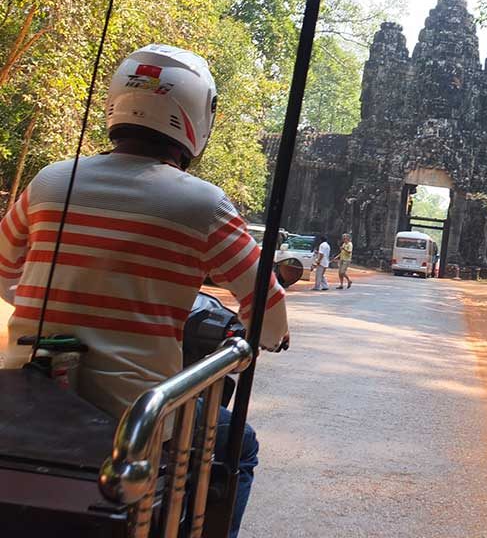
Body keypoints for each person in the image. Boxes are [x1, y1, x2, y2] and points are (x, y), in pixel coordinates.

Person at [0, 44, 289, 538]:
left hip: (25, 397)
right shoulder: (203, 204)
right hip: (136, 416)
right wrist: (270, 336)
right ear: (197, 117)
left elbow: (7, 272)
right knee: (239, 446)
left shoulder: (51, 180)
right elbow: (268, 303)